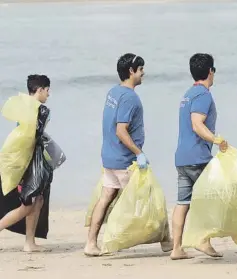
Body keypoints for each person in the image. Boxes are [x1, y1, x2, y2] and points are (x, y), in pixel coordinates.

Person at [84, 53, 172, 256]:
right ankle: (166, 241)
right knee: (151, 197)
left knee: (106, 196)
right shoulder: (130, 98)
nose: (143, 73)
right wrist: (139, 153)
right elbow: (120, 130)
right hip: (125, 161)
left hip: (109, 156)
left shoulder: (113, 92)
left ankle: (90, 243)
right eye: (141, 69)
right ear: (131, 71)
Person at [170, 53, 228, 260]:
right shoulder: (203, 95)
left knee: (182, 202)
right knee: (211, 199)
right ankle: (203, 241)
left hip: (182, 157)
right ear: (210, 71)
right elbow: (197, 124)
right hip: (198, 157)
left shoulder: (188, 94)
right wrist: (216, 140)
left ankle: (177, 248)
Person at [0, 74, 51, 252]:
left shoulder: (23, 106)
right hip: (30, 162)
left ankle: (29, 243)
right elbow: (36, 137)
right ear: (39, 90)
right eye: (47, 90)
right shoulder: (41, 110)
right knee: (28, 204)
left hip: (20, 158)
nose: (48, 94)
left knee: (38, 200)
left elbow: (24, 134)